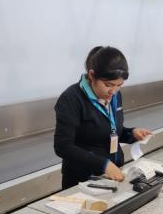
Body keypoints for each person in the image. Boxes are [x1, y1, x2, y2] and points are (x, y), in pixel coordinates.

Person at [54, 46, 151, 189]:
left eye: (119, 85)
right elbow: (62, 146)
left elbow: (109, 130)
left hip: (111, 176)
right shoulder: (71, 99)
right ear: (92, 75)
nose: (113, 91)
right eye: (108, 85)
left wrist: (131, 133)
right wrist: (102, 164)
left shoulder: (114, 95)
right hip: (82, 180)